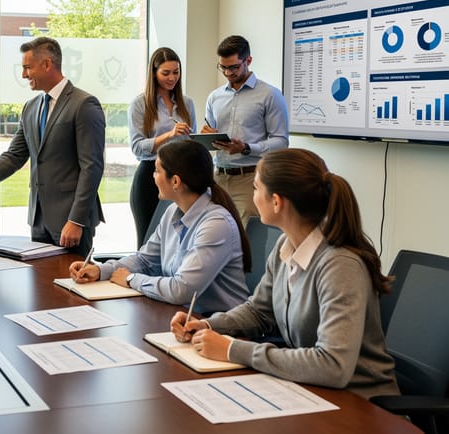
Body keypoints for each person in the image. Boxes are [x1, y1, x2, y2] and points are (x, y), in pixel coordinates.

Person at [170, 148, 399, 399]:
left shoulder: (340, 266)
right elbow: (259, 311)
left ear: (277, 201)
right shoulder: (286, 246)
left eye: (256, 188)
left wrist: (233, 350)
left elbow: (334, 366)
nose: (252, 195)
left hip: (362, 406)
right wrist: (206, 325)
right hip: (311, 392)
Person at [0, 37, 105, 256]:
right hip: (39, 220)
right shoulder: (31, 107)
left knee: (71, 287)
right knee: (41, 287)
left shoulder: (84, 104)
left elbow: (91, 167)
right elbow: (13, 157)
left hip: (72, 222)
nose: (24, 75)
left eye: (27, 68)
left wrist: (77, 219)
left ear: (47, 64)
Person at [70, 140, 249, 314]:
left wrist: (131, 279)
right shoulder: (173, 211)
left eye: (157, 171)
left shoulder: (216, 224)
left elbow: (182, 290)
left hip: (217, 327)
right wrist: (101, 270)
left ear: (176, 182)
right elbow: (145, 260)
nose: (153, 176)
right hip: (181, 317)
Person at [201, 35, 288, 224]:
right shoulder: (214, 97)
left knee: (247, 243)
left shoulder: (270, 95)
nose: (227, 72)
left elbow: (281, 142)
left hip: (251, 180)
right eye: (223, 67)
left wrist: (246, 148)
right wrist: (206, 136)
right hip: (218, 179)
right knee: (216, 238)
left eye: (233, 67)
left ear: (248, 61)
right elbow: (211, 134)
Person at [128, 47, 196, 246]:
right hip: (151, 175)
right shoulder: (140, 104)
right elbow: (137, 147)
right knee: (147, 240)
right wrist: (169, 135)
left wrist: (202, 137)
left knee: (179, 242)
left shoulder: (187, 103)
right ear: (154, 73)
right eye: (165, 73)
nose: (172, 77)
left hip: (182, 177)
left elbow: (191, 142)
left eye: (176, 72)